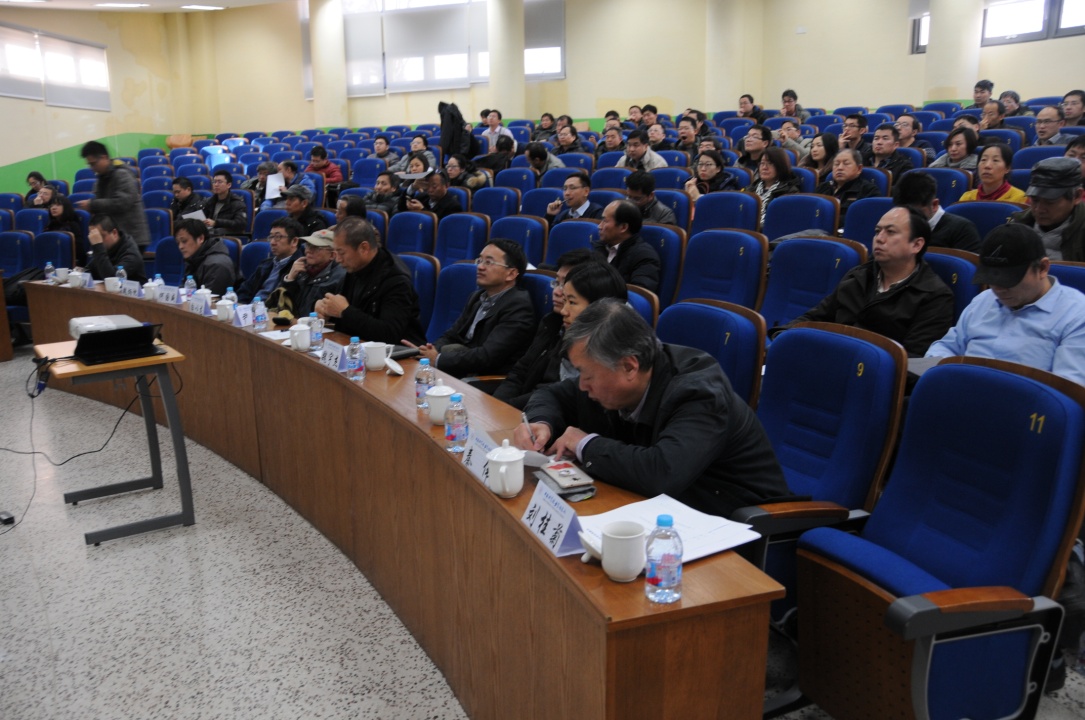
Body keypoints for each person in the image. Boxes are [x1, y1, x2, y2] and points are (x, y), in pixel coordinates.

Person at [514, 299, 792, 518]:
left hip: (732, 523)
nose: (582, 385)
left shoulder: (699, 393)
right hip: (664, 511)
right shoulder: (613, 373)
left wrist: (584, 444)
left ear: (629, 366)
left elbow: (662, 473)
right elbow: (551, 394)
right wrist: (542, 422)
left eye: (587, 375)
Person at [778, 207, 954, 356]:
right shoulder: (859, 276)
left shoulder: (934, 296)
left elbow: (912, 363)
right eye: (877, 231)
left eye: (890, 232)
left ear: (916, 245)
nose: (879, 238)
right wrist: (781, 337)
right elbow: (816, 316)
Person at [926, 223, 1085, 387]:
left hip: (1024, 400)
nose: (998, 289)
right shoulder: (983, 300)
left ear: (1043, 268)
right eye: (991, 279)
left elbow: (1068, 389)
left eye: (1009, 280)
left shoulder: (1076, 315)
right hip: (962, 390)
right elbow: (946, 346)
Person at [415, 239, 536, 378]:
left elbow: (488, 356)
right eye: (480, 260)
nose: (480, 267)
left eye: (489, 262)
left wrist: (438, 359)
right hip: (465, 369)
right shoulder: (477, 297)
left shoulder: (518, 307)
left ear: (511, 274)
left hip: (487, 379)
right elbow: (452, 335)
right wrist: (430, 351)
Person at [492, 248, 596, 409]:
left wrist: (505, 409)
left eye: (565, 284)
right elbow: (520, 371)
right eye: (556, 282)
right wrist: (497, 405)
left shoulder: (586, 340)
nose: (557, 292)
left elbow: (553, 392)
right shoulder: (550, 322)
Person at [314, 216, 426, 345]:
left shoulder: (396, 281)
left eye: (342, 253)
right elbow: (343, 312)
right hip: (357, 346)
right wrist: (327, 310)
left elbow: (390, 334)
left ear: (364, 248)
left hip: (399, 353)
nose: (338, 259)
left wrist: (345, 312)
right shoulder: (354, 268)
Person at [77, 141, 150, 248]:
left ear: (104, 157)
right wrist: (92, 208)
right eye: (89, 165)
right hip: (117, 237)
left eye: (93, 163)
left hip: (133, 237)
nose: (92, 168)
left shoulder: (122, 174)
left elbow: (122, 203)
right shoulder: (101, 179)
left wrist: (92, 205)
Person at [1010, 157, 1085, 261]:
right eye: (1035, 200)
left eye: (1050, 202)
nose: (1039, 209)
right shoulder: (1018, 224)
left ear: (1076, 196)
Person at [892, 171, 982, 252]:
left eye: (914, 212)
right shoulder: (893, 227)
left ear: (934, 205)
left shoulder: (962, 230)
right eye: (903, 212)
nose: (908, 218)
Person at [592, 200, 661, 293]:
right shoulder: (598, 248)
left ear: (623, 227)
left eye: (605, 221)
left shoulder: (644, 257)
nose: (599, 226)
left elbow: (638, 296)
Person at [280, 228, 346, 318]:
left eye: (316, 248)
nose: (308, 251)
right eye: (308, 245)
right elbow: (280, 306)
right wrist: (290, 279)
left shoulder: (340, 277)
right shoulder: (301, 270)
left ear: (332, 255)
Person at [236, 217, 304, 304]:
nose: (272, 242)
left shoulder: (299, 268)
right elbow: (245, 290)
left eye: (278, 237)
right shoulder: (266, 264)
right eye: (271, 237)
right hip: (251, 309)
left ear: (294, 241)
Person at [814, 149, 880, 221]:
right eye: (836, 164)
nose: (840, 168)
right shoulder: (822, 187)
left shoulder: (868, 190)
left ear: (859, 168)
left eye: (846, 164)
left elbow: (865, 219)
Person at [174, 218, 234, 296]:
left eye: (184, 241)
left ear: (201, 238)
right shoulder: (192, 259)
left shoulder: (217, 265)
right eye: (178, 243)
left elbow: (210, 299)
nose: (180, 247)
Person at [84, 214, 147, 284]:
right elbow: (89, 271)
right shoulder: (108, 248)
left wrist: (98, 246)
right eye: (94, 237)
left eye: (101, 236)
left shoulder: (131, 254)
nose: (98, 240)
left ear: (114, 233)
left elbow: (112, 280)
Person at [747, 147, 801, 227]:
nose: (764, 167)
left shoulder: (789, 192)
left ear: (780, 166)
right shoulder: (751, 188)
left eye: (770, 163)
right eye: (762, 163)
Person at [957, 144, 1027, 204]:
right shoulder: (967, 198)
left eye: (995, 160)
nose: (987, 166)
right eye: (983, 160)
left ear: (1007, 168)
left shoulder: (1019, 199)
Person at [201, 170, 248, 237]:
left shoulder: (237, 203)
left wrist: (216, 223)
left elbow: (240, 224)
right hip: (209, 234)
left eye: (219, 182)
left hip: (226, 236)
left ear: (229, 185)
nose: (216, 185)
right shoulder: (209, 201)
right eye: (214, 182)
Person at [44, 194, 87, 264]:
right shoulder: (50, 226)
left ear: (66, 207)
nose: (53, 208)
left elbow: (79, 251)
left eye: (58, 205)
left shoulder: (73, 226)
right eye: (51, 206)